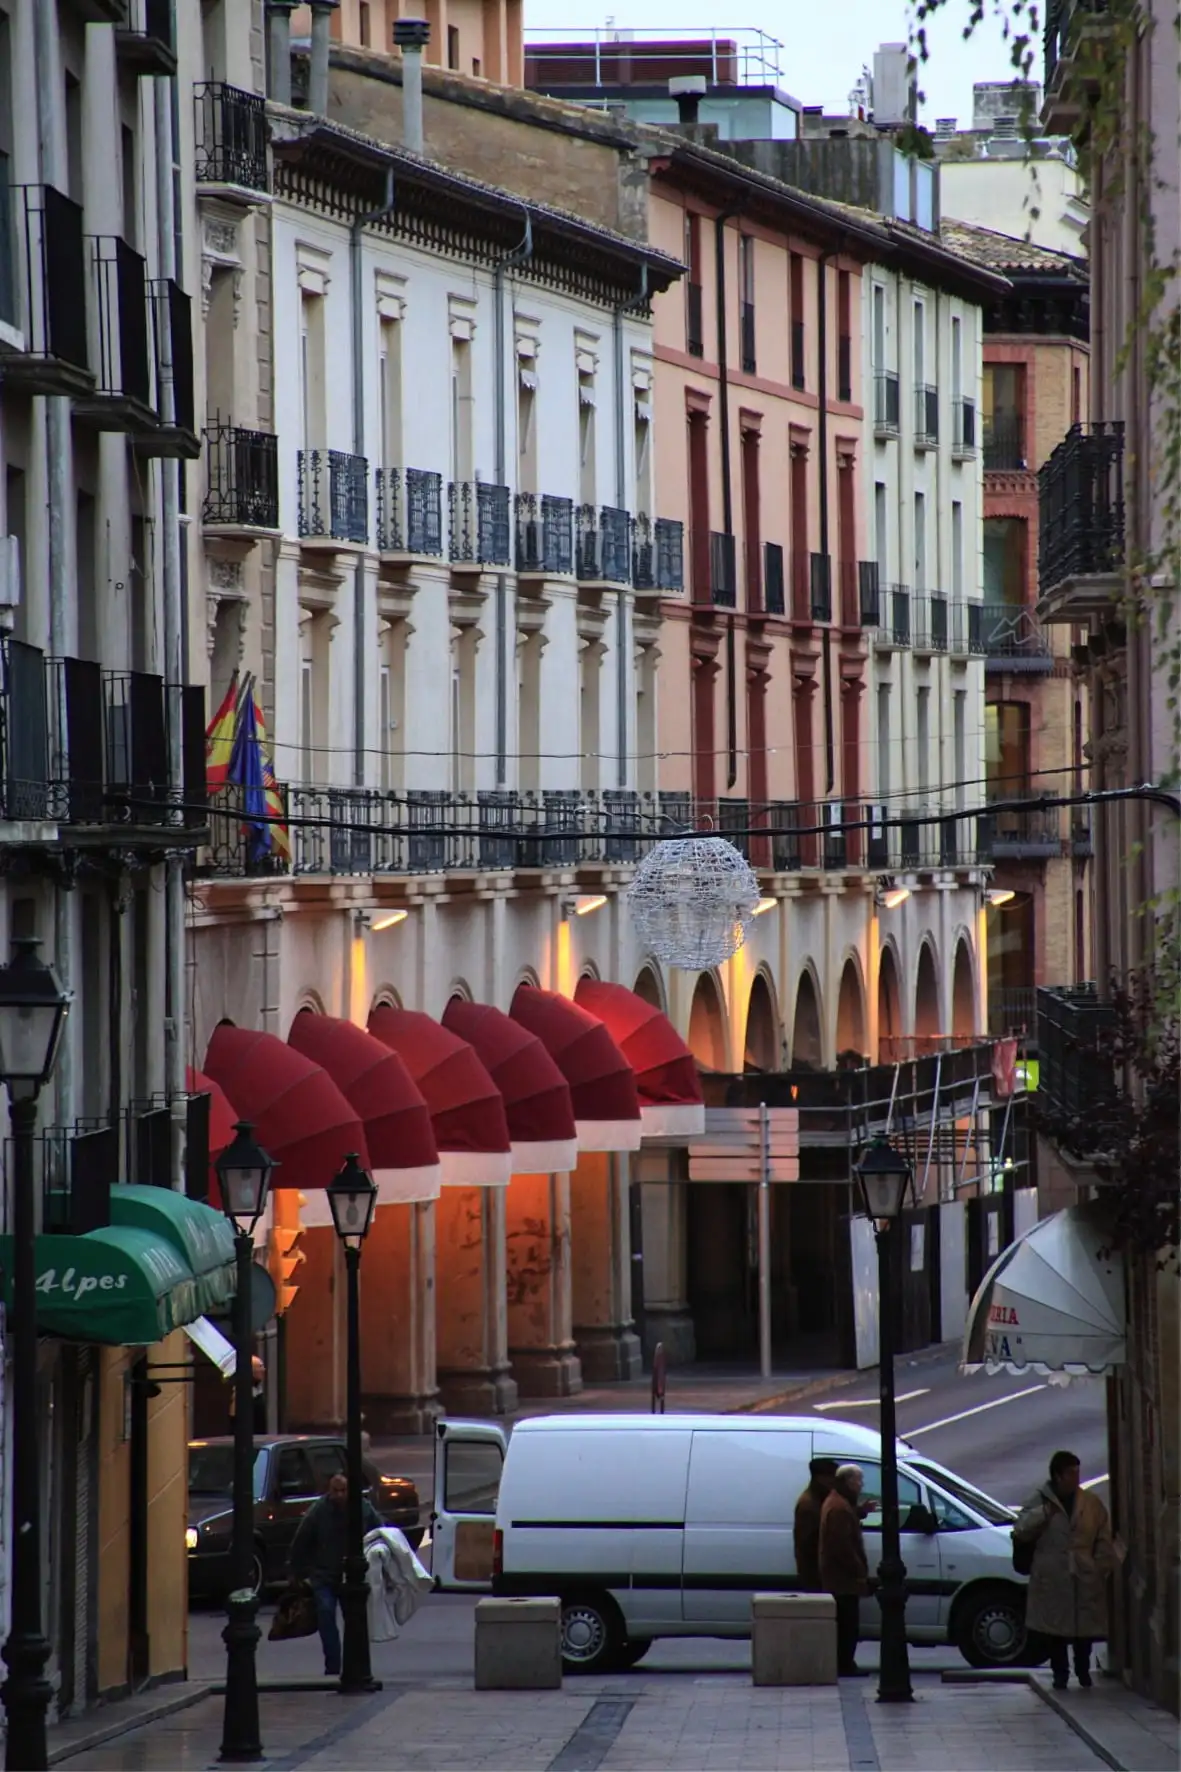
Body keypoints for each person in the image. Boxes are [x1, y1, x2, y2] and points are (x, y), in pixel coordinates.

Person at [1014, 1449, 1115, 1690]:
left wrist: (1100, 1565)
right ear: (1058, 1476)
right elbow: (1022, 1530)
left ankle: (1083, 1670)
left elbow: (1103, 1534)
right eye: (1071, 1473)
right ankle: (1060, 1672)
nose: (1076, 1478)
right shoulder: (1040, 1501)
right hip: (1053, 1574)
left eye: (1077, 1472)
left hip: (1083, 1573)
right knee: (1055, 1629)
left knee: (1083, 1628)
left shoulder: (1090, 1503)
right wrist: (1045, 1514)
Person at [289, 1473, 383, 1677]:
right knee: (325, 1614)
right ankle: (333, 1665)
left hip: (351, 1574)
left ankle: (353, 1665)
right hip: (324, 1574)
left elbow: (380, 1531)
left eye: (343, 1490)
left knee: (354, 1620)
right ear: (328, 1491)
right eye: (335, 1490)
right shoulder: (319, 1511)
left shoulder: (362, 1508)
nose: (339, 1495)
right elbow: (301, 1540)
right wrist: (297, 1572)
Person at [819, 1462, 870, 1677]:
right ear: (849, 1482)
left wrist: (860, 1511)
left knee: (847, 1623)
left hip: (840, 1578)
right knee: (848, 1625)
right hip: (843, 1580)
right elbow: (841, 1545)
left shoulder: (839, 1503)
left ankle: (845, 1662)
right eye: (859, 1480)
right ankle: (845, 1664)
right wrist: (859, 1571)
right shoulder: (839, 1507)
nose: (861, 1485)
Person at [794, 1458, 839, 1592]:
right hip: (815, 1575)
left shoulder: (818, 1498)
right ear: (821, 1478)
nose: (834, 1482)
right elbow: (809, 1544)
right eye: (831, 1477)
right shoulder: (809, 1505)